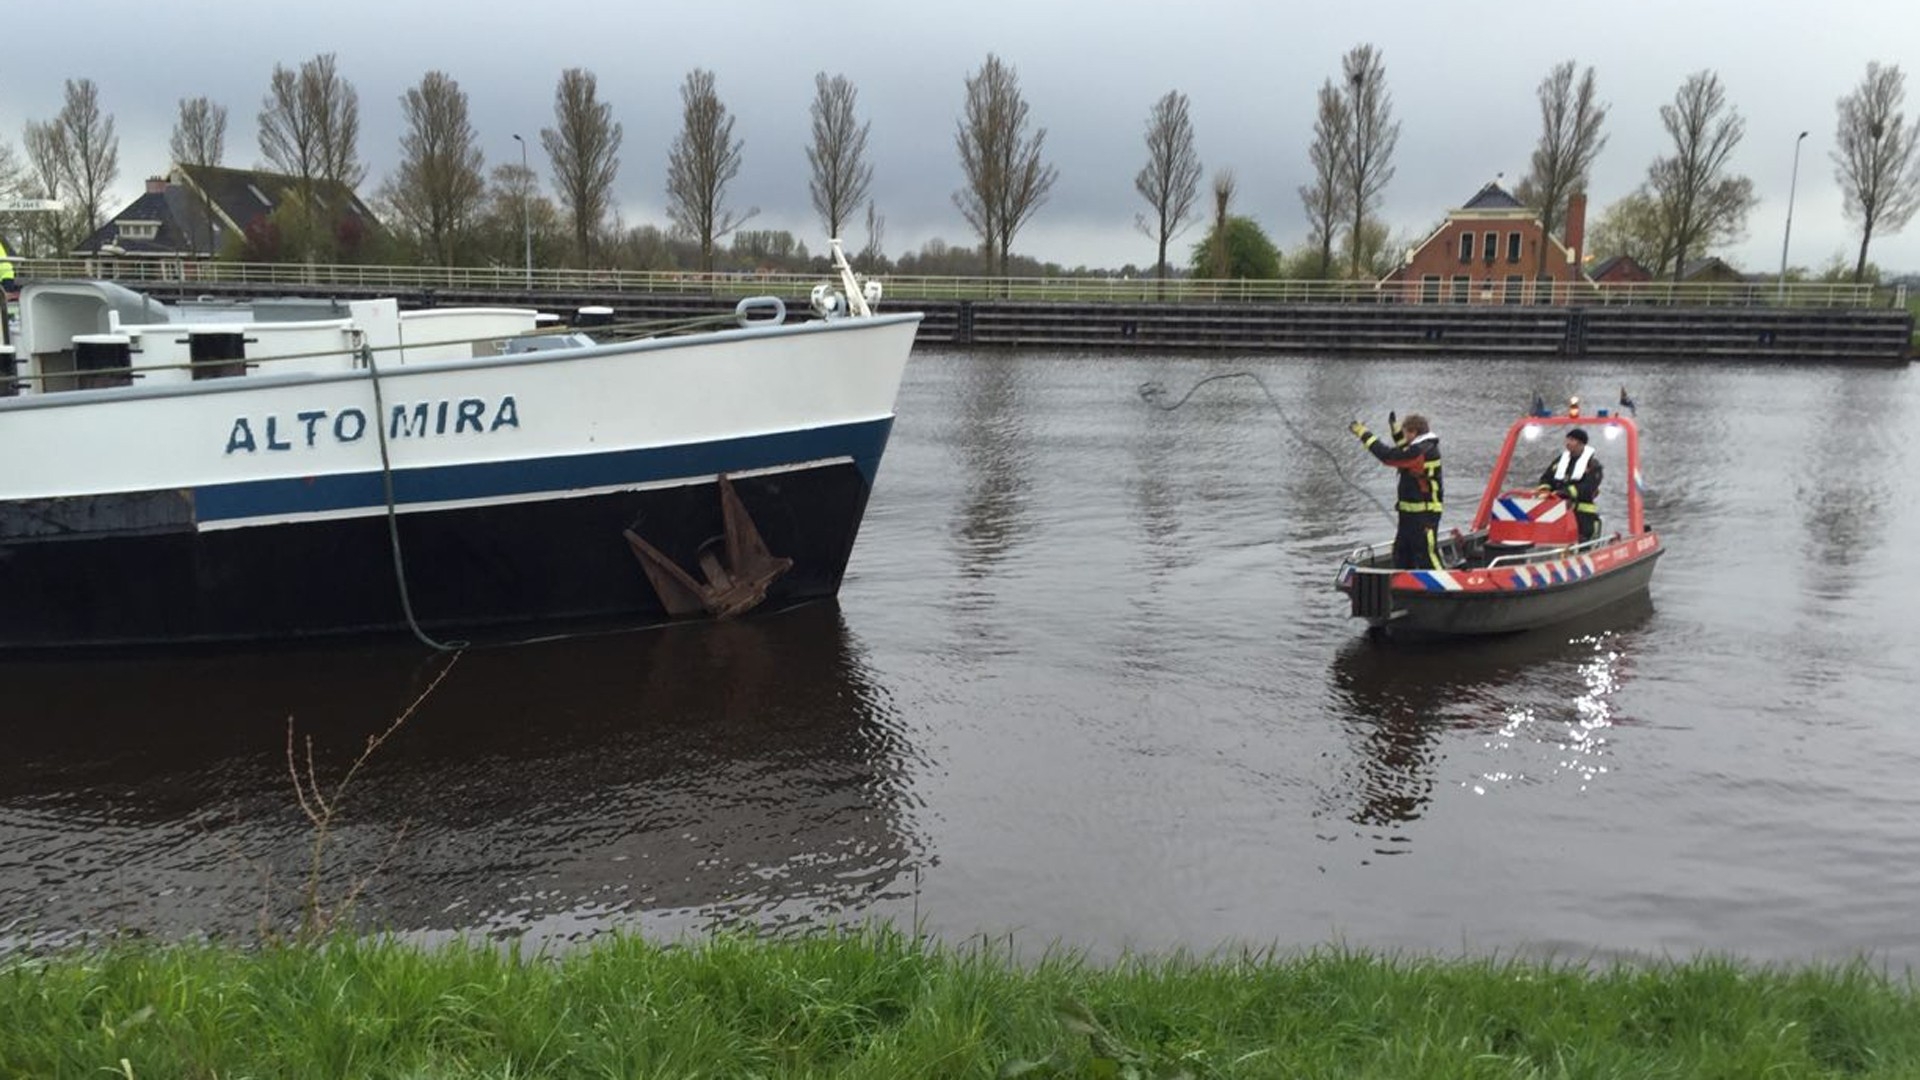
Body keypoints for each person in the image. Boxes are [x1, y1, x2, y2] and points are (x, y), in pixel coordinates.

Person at [1349, 411, 1444, 570]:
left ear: (1414, 433)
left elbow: (1388, 456)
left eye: (1406, 433)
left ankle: (1443, 589)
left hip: (1424, 515)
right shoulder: (1420, 448)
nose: (1405, 437)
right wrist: (1396, 431)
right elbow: (1405, 449)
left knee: (1427, 555)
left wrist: (1363, 434)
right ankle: (1405, 588)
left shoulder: (1421, 452)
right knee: (1402, 553)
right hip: (1409, 516)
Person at [1537, 427, 1603, 542]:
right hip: (1556, 513)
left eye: (1572, 440)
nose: (1568, 443)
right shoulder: (1560, 462)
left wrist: (1565, 493)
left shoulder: (1592, 466)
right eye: (1567, 439)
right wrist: (1545, 490)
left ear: (1581, 443)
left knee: (1582, 544)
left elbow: (1587, 488)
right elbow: (1546, 478)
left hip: (1582, 517)